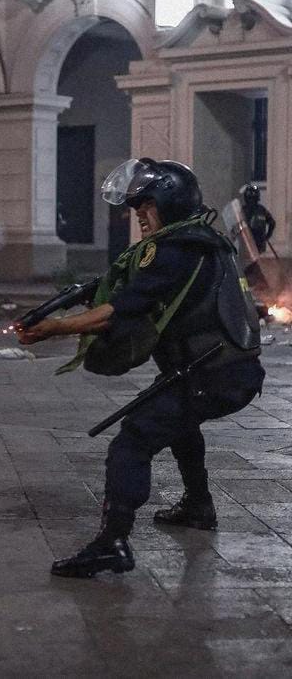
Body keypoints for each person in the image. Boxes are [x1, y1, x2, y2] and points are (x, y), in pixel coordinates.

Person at [17, 158, 264, 578]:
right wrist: (78, 297)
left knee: (132, 442)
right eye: (135, 210)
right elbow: (132, 285)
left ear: (169, 203)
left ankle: (112, 542)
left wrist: (53, 328)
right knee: (180, 421)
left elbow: (121, 310)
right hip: (227, 371)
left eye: (145, 207)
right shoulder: (200, 240)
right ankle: (198, 506)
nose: (140, 218)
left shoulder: (176, 250)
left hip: (213, 374)